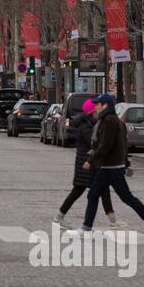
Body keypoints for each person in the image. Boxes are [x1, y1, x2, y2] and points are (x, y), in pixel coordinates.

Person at [68, 94, 144, 239]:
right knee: (93, 194)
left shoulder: (110, 121)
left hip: (112, 167)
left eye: (99, 104)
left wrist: (91, 160)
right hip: (108, 166)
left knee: (126, 197)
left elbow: (105, 145)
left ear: (105, 105)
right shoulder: (107, 120)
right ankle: (86, 228)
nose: (96, 106)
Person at [54, 98, 122, 229]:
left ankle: (112, 220)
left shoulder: (92, 123)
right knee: (81, 191)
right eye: (96, 108)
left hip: (90, 162)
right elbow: (95, 143)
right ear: (91, 112)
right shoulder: (87, 126)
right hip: (86, 164)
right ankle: (59, 217)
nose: (98, 109)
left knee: (101, 190)